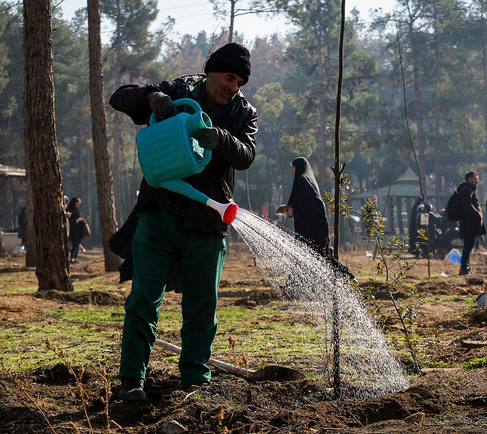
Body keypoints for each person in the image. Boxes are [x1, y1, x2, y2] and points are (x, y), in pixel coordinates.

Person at [109, 42, 257, 401]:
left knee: (202, 308)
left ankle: (194, 381)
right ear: (210, 72)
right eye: (228, 77)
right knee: (143, 299)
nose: (233, 86)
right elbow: (119, 98)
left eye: (239, 81)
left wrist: (222, 138)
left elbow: (246, 156)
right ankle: (132, 381)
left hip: (208, 221)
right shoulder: (177, 91)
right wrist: (152, 96)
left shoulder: (242, 112)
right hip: (159, 214)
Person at [276, 157, 331, 257]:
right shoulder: (307, 180)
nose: (292, 170)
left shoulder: (302, 180)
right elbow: (301, 204)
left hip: (311, 230)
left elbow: (306, 206)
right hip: (315, 227)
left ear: (298, 167)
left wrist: (289, 209)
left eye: (293, 167)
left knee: (312, 257)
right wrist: (287, 208)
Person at [456, 171, 485, 275]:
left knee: (469, 246)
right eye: (475, 178)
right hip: (468, 224)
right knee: (468, 247)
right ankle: (464, 268)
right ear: (469, 179)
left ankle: (466, 267)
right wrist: (477, 214)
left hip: (470, 224)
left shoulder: (469, 191)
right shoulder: (466, 191)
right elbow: (468, 206)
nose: (477, 181)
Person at [65, 197, 88, 264]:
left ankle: (75, 258)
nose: (78, 205)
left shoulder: (77, 209)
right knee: (75, 244)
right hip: (73, 229)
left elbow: (79, 216)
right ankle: (72, 258)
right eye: (77, 204)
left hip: (79, 229)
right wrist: (76, 220)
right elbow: (69, 220)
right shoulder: (68, 209)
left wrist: (82, 220)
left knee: (77, 244)